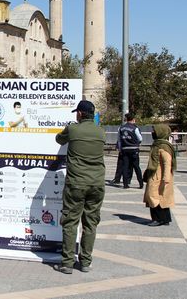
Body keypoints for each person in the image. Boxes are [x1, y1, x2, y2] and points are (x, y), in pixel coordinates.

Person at [54, 100, 105, 274]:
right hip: (97, 183)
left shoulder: (73, 129)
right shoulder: (101, 131)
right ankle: (85, 262)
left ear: (80, 114)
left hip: (76, 183)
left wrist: (68, 128)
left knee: (70, 222)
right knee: (90, 223)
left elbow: (59, 139)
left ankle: (68, 262)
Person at [143, 124, 175, 226]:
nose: (152, 133)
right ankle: (165, 219)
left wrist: (166, 178)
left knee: (154, 196)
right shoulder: (157, 144)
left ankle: (158, 219)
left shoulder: (163, 146)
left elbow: (167, 162)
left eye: (154, 131)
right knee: (160, 196)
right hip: (155, 174)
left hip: (159, 176)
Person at [119, 113, 143, 189]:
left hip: (124, 149)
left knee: (125, 166)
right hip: (134, 149)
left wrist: (120, 149)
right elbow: (140, 139)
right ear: (133, 119)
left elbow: (119, 140)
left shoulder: (121, 128)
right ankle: (141, 183)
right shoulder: (135, 128)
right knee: (136, 167)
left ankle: (125, 184)